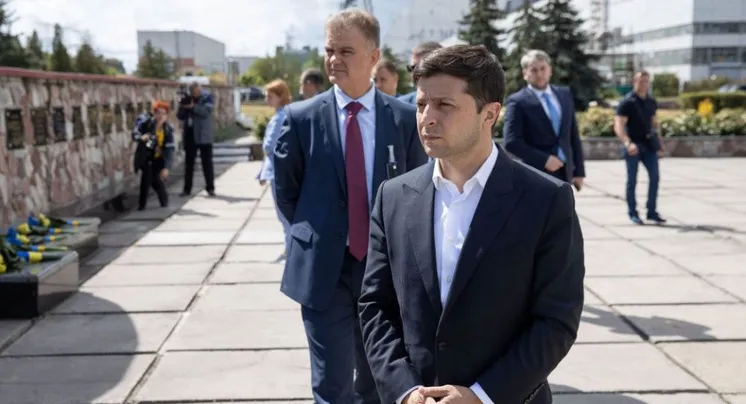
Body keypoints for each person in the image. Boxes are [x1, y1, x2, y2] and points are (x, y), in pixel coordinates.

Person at [358, 45, 585, 404]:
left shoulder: (546, 200)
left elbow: (556, 320)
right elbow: (375, 306)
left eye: (444, 105)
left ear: (489, 114)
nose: (427, 118)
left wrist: (482, 396)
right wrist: (405, 390)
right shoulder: (393, 197)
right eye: (421, 104)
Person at [272, 8, 428, 404]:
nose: (334, 60)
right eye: (329, 50)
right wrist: (317, 234)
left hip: (384, 271)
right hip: (324, 271)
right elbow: (287, 193)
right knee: (332, 384)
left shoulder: (404, 120)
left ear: (373, 57)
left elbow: (418, 192)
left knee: (380, 381)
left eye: (346, 51)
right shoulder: (300, 119)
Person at [503, 49, 586, 189]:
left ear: (550, 70)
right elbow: (511, 142)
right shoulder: (517, 102)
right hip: (535, 174)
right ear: (525, 73)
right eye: (534, 70)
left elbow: (573, 135)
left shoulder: (564, 95)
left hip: (565, 172)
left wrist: (579, 172)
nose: (539, 74)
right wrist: (544, 160)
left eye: (543, 68)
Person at [614, 70, 666, 225]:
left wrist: (660, 142)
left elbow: (654, 123)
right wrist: (627, 143)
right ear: (634, 82)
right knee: (632, 181)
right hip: (633, 146)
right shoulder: (627, 102)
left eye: (646, 81)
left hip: (649, 146)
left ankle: (651, 211)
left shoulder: (651, 101)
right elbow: (618, 125)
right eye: (640, 81)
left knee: (655, 178)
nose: (643, 84)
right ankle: (633, 213)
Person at [256, 79, 292, 256]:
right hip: (275, 170)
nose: (267, 99)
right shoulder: (280, 115)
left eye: (270, 96)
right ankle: (289, 246)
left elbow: (269, 146)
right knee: (283, 214)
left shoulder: (281, 117)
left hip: (279, 171)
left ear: (280, 96)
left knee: (284, 214)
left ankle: (290, 248)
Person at [132, 101, 175, 210]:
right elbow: (135, 133)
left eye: (163, 113)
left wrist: (166, 168)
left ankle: (164, 202)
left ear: (166, 115)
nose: (160, 116)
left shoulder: (168, 129)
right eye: (158, 113)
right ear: (154, 114)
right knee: (146, 177)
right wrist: (141, 137)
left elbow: (169, 150)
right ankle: (142, 206)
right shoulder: (147, 123)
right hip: (145, 155)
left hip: (158, 157)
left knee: (155, 180)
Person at [177, 82, 216, 197]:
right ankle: (187, 189)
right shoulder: (187, 98)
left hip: (204, 135)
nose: (198, 93)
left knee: (207, 163)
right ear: (191, 92)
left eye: (199, 90)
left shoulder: (207, 97)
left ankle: (210, 188)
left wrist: (193, 107)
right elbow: (179, 115)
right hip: (190, 134)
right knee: (189, 164)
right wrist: (183, 106)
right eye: (195, 92)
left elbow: (206, 112)